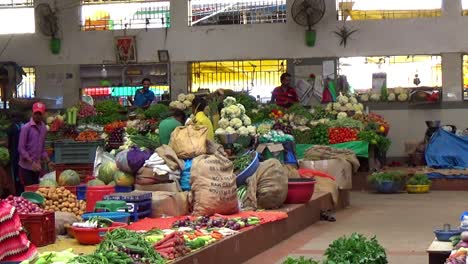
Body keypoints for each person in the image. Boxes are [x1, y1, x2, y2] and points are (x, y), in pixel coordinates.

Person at [18, 102, 53, 188]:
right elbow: (21, 149)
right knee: (29, 190)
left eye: (40, 114)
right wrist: (31, 162)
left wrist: (48, 161)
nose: (37, 116)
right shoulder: (26, 128)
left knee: (37, 191)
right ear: (32, 113)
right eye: (36, 113)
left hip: (37, 167)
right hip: (26, 167)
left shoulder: (43, 128)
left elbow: (42, 149)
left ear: (43, 114)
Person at [7, 112, 24, 195]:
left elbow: (9, 143)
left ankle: (20, 187)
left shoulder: (20, 127)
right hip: (15, 153)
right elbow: (9, 143)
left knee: (19, 171)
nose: (15, 119)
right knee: (16, 172)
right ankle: (18, 189)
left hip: (18, 153)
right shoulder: (12, 128)